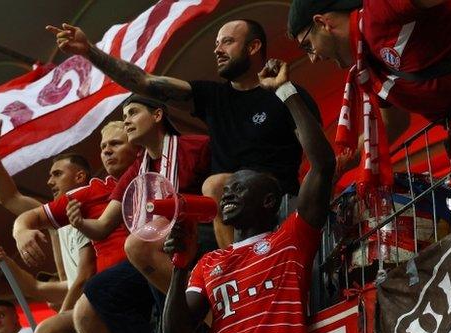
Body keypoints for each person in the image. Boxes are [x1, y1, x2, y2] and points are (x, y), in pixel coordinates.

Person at [46, 19, 320, 249]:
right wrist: (90, 52)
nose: (217, 50)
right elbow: (145, 83)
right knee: (140, 245)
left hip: (275, 201)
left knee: (215, 185)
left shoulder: (286, 94)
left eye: (227, 42)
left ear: (253, 46)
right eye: (216, 44)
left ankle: (236, 268)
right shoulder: (212, 96)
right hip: (220, 213)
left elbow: (317, 157)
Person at [287, 0, 451, 229]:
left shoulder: (381, 9)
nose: (312, 58)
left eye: (307, 45)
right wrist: (348, 160)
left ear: (322, 23)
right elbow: (393, 122)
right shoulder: (370, 67)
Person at [163, 58, 335, 333]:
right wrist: (180, 266)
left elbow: (323, 166)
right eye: (227, 190)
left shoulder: (291, 239)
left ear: (268, 201)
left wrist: (285, 92)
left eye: (239, 189)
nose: (226, 195)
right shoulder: (207, 263)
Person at [69, 95, 210, 333]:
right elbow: (101, 227)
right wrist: (79, 222)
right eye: (124, 117)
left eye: (133, 113)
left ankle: (208, 319)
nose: (127, 122)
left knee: (139, 246)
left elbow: (219, 198)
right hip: (154, 249)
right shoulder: (137, 168)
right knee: (98, 292)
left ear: (157, 116)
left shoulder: (196, 146)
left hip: (197, 238)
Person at [11, 121, 139, 333]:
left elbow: (84, 274)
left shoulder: (158, 173)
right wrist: (21, 232)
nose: (107, 151)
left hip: (141, 277)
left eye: (116, 143)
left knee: (85, 306)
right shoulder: (89, 193)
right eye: (103, 147)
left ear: (137, 147)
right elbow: (25, 214)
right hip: (108, 292)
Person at [0, 118, 96, 312]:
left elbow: (84, 279)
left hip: (104, 303)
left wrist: (62, 318)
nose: (49, 182)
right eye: (50, 175)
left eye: (57, 174)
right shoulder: (54, 219)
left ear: (79, 177)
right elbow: (9, 198)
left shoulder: (99, 209)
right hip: (84, 305)